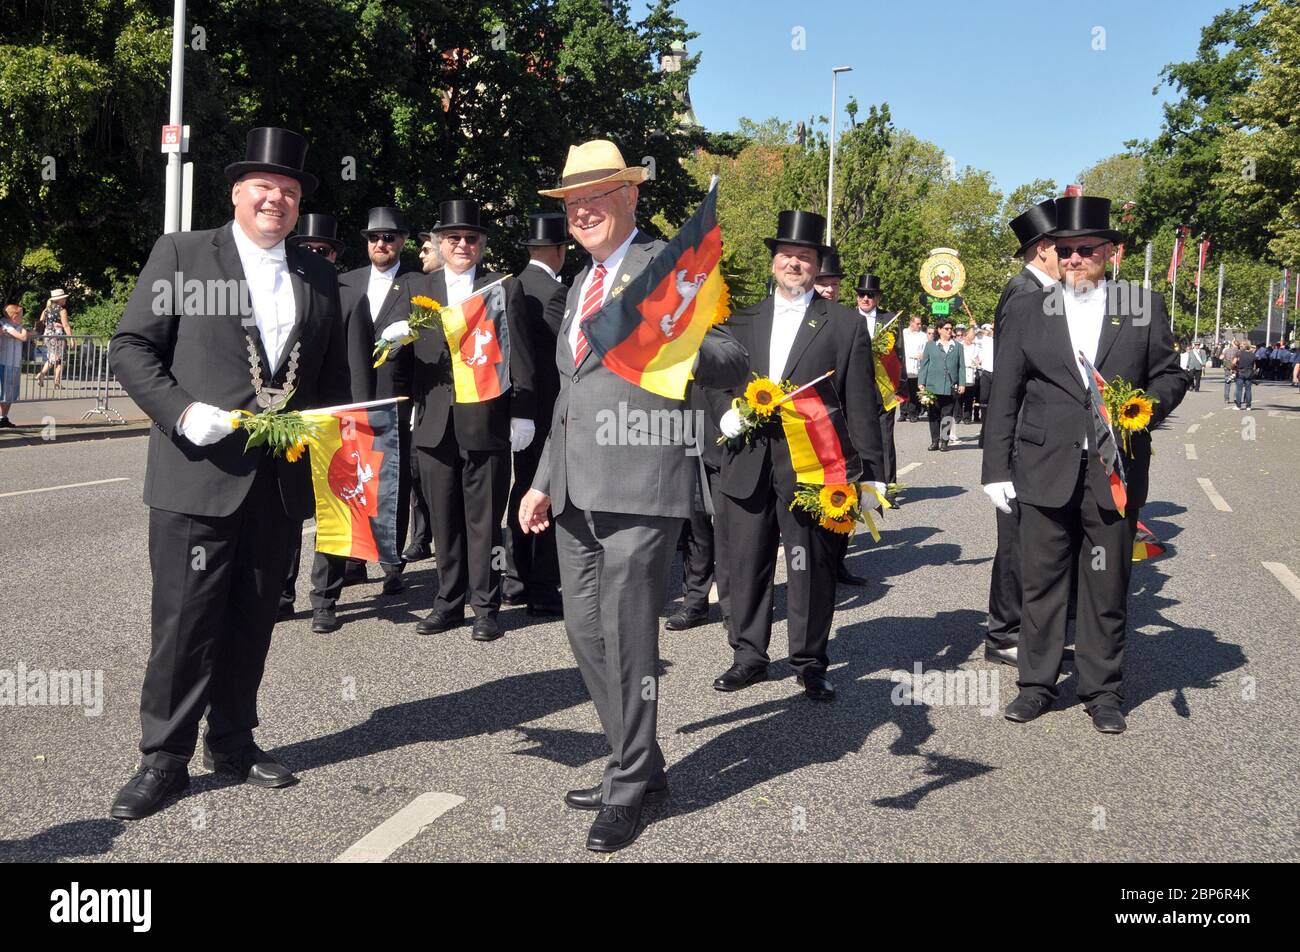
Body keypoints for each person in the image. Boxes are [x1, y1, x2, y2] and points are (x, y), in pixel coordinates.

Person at [108, 127, 352, 819]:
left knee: (253, 617)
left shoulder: (317, 275)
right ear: (238, 193)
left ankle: (235, 742)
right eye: (264, 186)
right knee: (186, 621)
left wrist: (344, 446)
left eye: (290, 190)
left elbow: (331, 381)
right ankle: (164, 757)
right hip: (197, 471)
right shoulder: (184, 253)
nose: (276, 198)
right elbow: (130, 347)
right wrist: (181, 413)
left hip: (278, 482)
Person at [517, 139, 746, 852]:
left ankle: (626, 786)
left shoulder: (664, 269)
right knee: (587, 636)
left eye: (597, 196)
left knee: (628, 639)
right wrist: (541, 481)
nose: (582, 210)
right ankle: (639, 763)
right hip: (575, 490)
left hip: (643, 486)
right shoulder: (579, 284)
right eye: (572, 201)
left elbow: (733, 361)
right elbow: (568, 395)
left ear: (630, 198)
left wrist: (677, 335)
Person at [982, 195, 1189, 734]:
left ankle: (1103, 692)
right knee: (1041, 581)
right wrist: (994, 469)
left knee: (1106, 582)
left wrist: (1146, 406)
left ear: (1109, 252)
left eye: (1085, 250)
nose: (1073, 259)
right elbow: (1006, 391)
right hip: (1042, 464)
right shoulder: (1030, 308)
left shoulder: (1141, 304)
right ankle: (1036, 685)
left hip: (1114, 467)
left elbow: (1171, 374)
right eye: (1064, 250)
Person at [712, 209, 885, 704]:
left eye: (804, 257)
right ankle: (748, 654)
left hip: (814, 465)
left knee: (812, 566)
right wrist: (724, 414)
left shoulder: (846, 324)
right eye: (787, 255)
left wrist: (870, 478)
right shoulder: (740, 319)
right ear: (773, 262)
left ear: (816, 265)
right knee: (745, 562)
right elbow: (714, 382)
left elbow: (860, 404)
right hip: (747, 461)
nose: (794, 263)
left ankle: (810, 662)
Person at [408, 198, 537, 643]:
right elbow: (398, 358)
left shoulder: (502, 287)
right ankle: (447, 602)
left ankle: (486, 607)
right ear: (438, 243)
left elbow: (521, 353)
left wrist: (522, 412)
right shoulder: (413, 288)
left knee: (485, 522)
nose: (462, 244)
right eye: (454, 238)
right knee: (443, 519)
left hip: (486, 419)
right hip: (433, 422)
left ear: (481, 244)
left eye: (471, 238)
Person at [982, 197, 1061, 667]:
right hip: (1021, 440)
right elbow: (1009, 378)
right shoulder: (1026, 292)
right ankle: (1003, 633)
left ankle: (1025, 628)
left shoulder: (1041, 290)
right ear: (1043, 249)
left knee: (1031, 542)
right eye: (1062, 246)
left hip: (1036, 436)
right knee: (1015, 544)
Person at [278, 212, 348, 619]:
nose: (315, 255)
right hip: (289, 419)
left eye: (323, 250)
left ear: (334, 255)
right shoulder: (278, 292)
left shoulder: (349, 292)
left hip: (335, 416)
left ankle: (325, 599)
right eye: (307, 249)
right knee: (287, 512)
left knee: (331, 511)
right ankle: (281, 595)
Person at [502, 212, 568, 617]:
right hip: (548, 408)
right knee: (548, 495)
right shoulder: (555, 292)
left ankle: (514, 578)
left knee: (522, 489)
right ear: (560, 250)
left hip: (518, 407)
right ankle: (543, 586)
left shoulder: (513, 284)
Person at [917, 317, 966, 451]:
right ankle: (934, 441)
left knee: (947, 414)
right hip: (933, 386)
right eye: (946, 329)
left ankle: (944, 441)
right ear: (939, 330)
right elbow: (924, 365)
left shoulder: (958, 346)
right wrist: (921, 382)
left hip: (950, 386)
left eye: (951, 329)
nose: (949, 331)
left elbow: (961, 366)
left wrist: (962, 383)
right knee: (933, 414)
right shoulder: (931, 345)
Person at [34, 290, 73, 389]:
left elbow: (41, 322)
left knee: (53, 357)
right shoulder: (61, 310)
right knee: (60, 359)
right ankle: (52, 379)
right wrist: (72, 339)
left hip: (47, 336)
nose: (65, 299)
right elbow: (66, 325)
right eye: (63, 298)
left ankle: (48, 378)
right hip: (58, 336)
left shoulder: (46, 310)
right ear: (59, 299)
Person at [0, 303, 30, 427]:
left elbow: (28, 334)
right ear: (14, 315)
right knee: (5, 393)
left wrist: (24, 331)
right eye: (21, 315)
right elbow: (23, 337)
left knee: (11, 393)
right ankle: (1, 417)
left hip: (15, 362)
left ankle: (4, 418)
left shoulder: (14, 325)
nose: (22, 318)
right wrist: (24, 330)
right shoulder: (5, 324)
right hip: (6, 362)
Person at [900, 315, 926, 421]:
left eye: (920, 324)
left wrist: (922, 355)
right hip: (905, 365)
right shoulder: (904, 333)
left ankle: (913, 413)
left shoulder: (922, 335)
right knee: (903, 390)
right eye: (917, 323)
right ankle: (903, 413)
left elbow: (925, 349)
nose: (919, 326)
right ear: (911, 322)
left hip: (916, 366)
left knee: (914, 391)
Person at [1233, 342, 1257, 410]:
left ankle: (1238, 406)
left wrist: (1233, 368)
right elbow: (1254, 366)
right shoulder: (1253, 354)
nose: (1240, 347)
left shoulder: (1239, 353)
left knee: (1239, 389)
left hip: (1240, 372)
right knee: (1248, 390)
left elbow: (1234, 362)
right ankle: (1248, 406)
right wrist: (1253, 372)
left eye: (1240, 346)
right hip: (1249, 372)